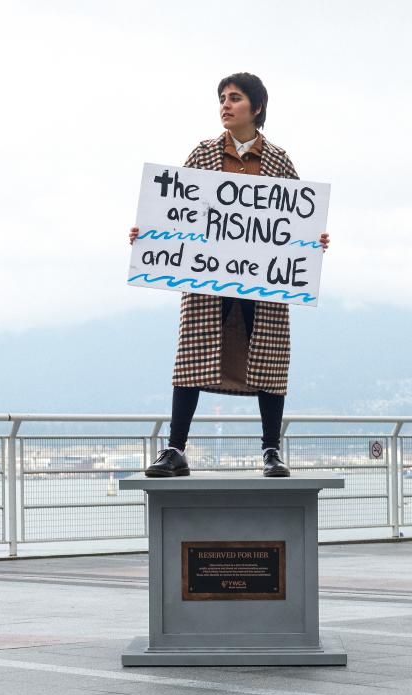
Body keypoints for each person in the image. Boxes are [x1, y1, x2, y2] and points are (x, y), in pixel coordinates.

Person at [129, 72, 329, 478]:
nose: (225, 104)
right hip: (208, 280)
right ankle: (175, 448)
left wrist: (314, 240)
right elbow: (174, 210)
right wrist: (147, 234)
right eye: (222, 97)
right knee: (191, 358)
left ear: (256, 107)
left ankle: (271, 450)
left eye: (234, 98)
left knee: (270, 361)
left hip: (263, 281)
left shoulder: (278, 161)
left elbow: (294, 219)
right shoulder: (203, 154)